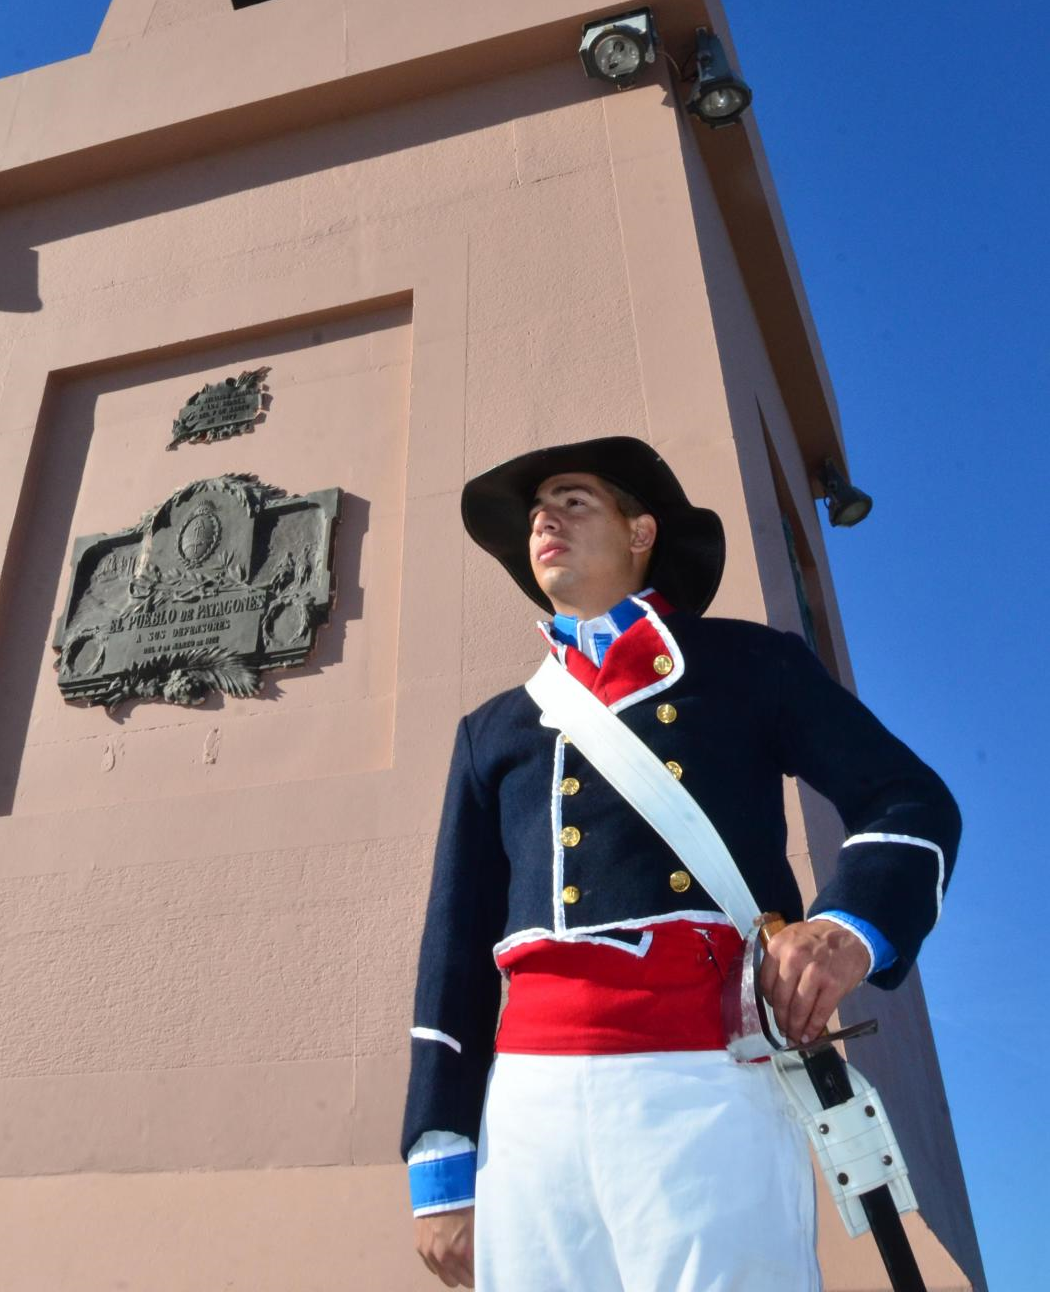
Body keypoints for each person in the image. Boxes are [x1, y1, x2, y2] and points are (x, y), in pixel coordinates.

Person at [402, 437, 959, 1292]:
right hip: (526, 1111)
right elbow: (453, 952)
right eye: (535, 513)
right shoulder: (494, 728)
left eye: (573, 499)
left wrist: (846, 930)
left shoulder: (747, 664)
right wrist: (441, 1164)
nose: (543, 519)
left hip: (706, 1078)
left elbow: (906, 798)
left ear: (641, 532)